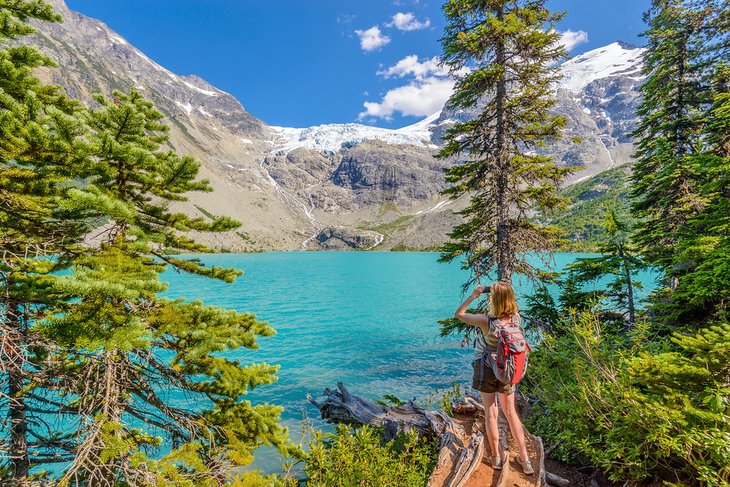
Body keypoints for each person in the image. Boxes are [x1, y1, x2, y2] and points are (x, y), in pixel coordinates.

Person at [454, 280, 534, 475]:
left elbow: (459, 314)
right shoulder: (516, 318)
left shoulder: (485, 321)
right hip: (507, 371)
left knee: (491, 413)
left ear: (494, 299)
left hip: (487, 369)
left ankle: (496, 457)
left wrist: (474, 295)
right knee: (511, 413)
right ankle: (525, 460)